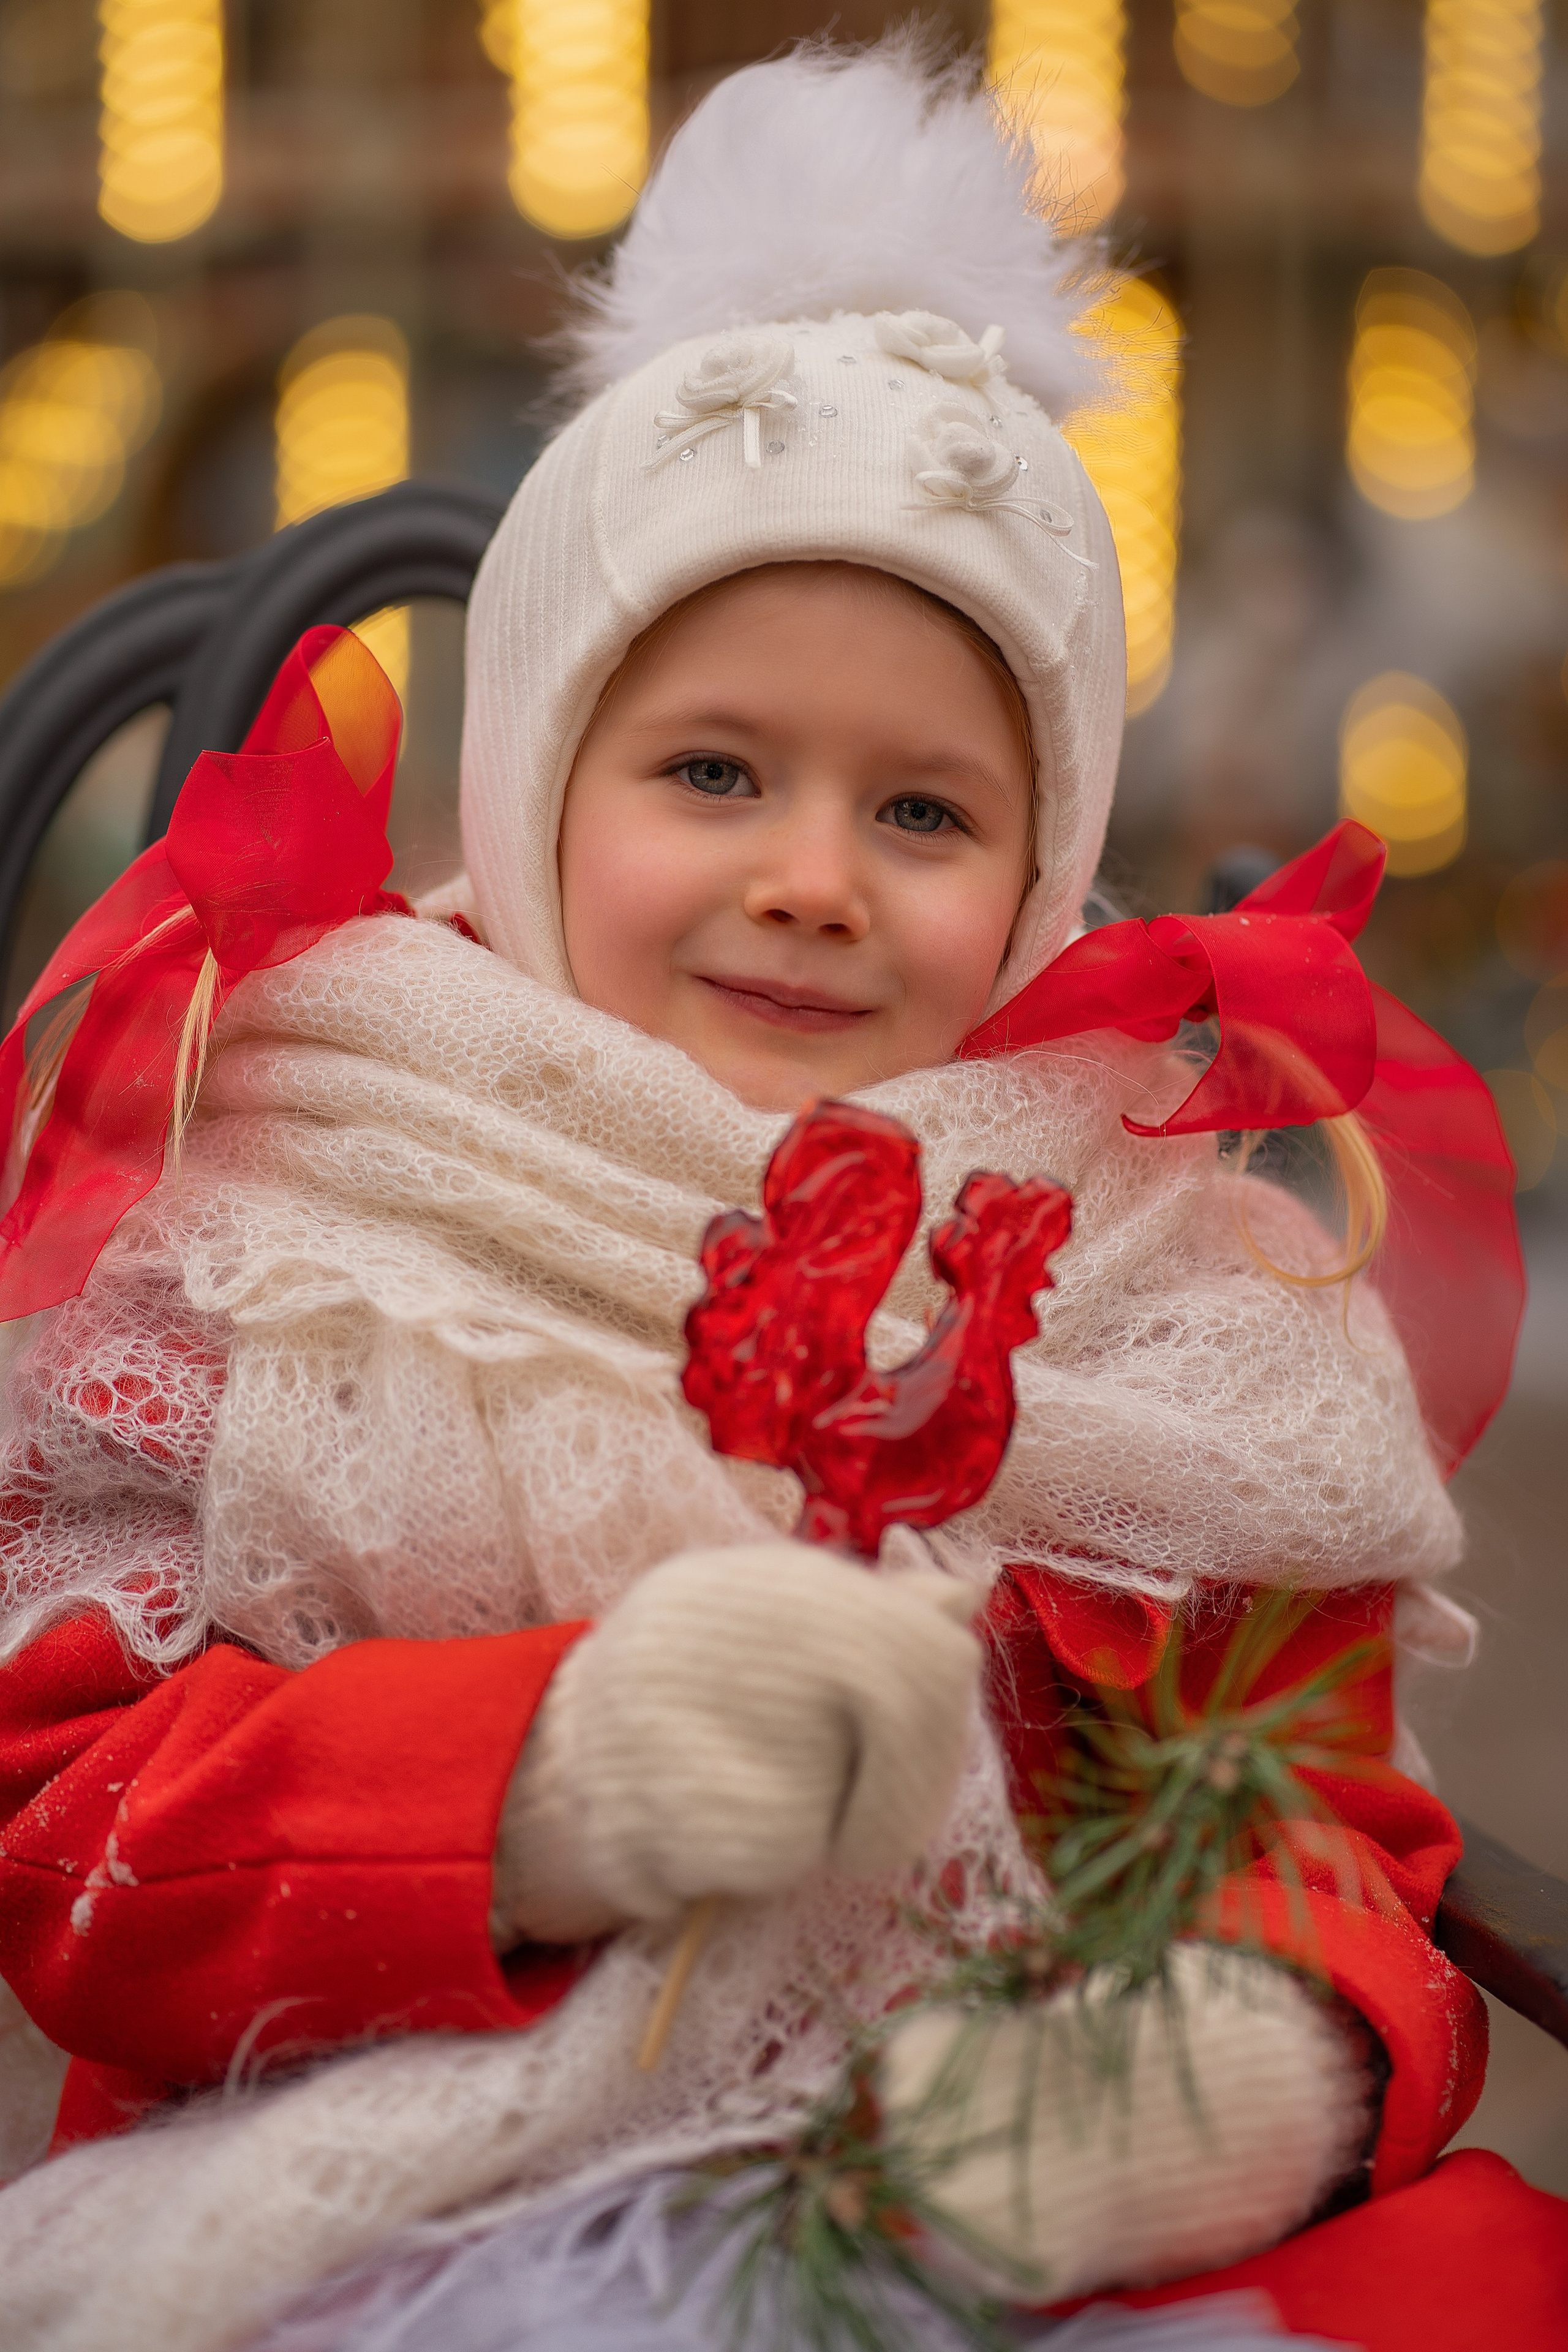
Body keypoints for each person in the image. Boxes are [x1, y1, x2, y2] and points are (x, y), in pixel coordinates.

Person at [0, 39, 1560, 2352]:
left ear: (1042, 874)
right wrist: (543, 1777)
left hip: (1012, 2189)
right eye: (714, 770)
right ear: (539, 788)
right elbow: (77, 1846)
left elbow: (1314, 1817)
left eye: (923, 814)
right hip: (408, 2184)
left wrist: (1238, 2069)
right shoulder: (294, 1206)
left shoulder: (1156, 1271)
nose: (812, 881)